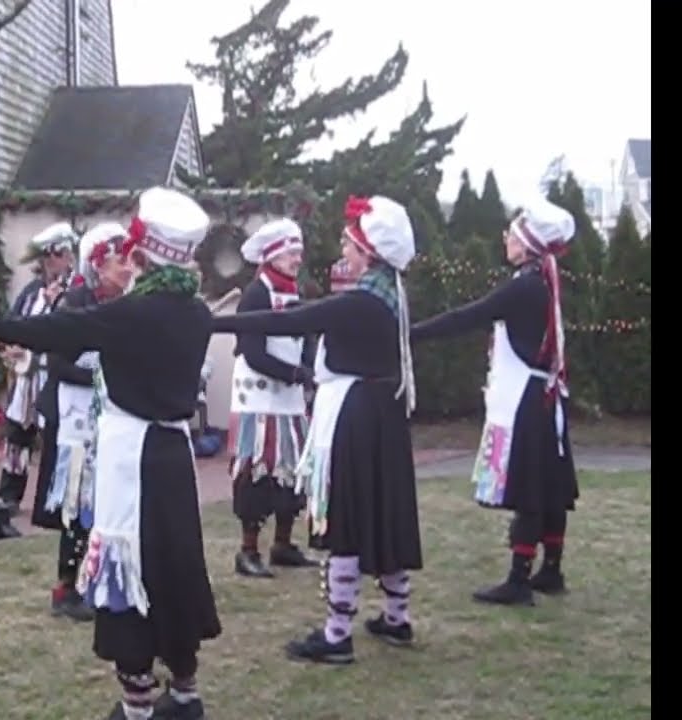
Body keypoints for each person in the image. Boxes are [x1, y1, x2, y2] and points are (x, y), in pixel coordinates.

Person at [0, 187, 221, 720]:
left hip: (133, 459)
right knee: (175, 564)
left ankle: (137, 705)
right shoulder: (195, 313)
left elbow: (64, 328)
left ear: (142, 255)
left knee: (129, 566)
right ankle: (186, 692)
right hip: (175, 455)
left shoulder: (133, 313)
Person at [211, 195, 422, 664]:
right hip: (384, 416)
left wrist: (211, 325)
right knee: (385, 512)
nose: (342, 251)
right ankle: (396, 616)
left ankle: (337, 633)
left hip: (354, 415)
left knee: (344, 516)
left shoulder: (360, 302)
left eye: (349, 244)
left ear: (368, 251)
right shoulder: (392, 295)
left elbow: (289, 320)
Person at [410, 197, 579, 607]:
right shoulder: (543, 280)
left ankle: (519, 579)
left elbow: (468, 316)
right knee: (548, 484)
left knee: (530, 488)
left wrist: (410, 333)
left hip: (527, 400)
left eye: (512, 235)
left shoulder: (524, 285)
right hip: (544, 396)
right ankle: (551, 568)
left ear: (527, 244)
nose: (506, 239)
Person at [32, 221, 132, 621]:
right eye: (120, 261)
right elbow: (57, 364)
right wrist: (104, 377)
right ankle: (65, 587)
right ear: (98, 265)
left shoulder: (127, 305)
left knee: (106, 499)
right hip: (74, 419)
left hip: (111, 416)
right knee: (76, 502)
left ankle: (96, 579)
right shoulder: (74, 303)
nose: (128, 267)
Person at [227, 218, 318, 578]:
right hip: (260, 400)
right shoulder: (256, 294)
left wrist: (308, 367)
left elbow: (306, 333)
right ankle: (247, 550)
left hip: (289, 399)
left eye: (299, 252)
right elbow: (252, 350)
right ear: (273, 256)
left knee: (291, 469)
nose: (298, 259)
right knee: (258, 470)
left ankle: (283, 543)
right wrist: (294, 374)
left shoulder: (295, 292)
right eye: (291, 253)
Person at [0, 222, 77, 513]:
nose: (52, 262)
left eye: (58, 255)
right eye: (47, 256)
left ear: (69, 256)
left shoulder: (74, 293)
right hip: (26, 377)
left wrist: (58, 303)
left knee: (54, 438)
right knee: (17, 435)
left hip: (54, 377)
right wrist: (9, 346)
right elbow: (14, 323)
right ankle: (9, 496)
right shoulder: (32, 292)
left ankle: (53, 501)